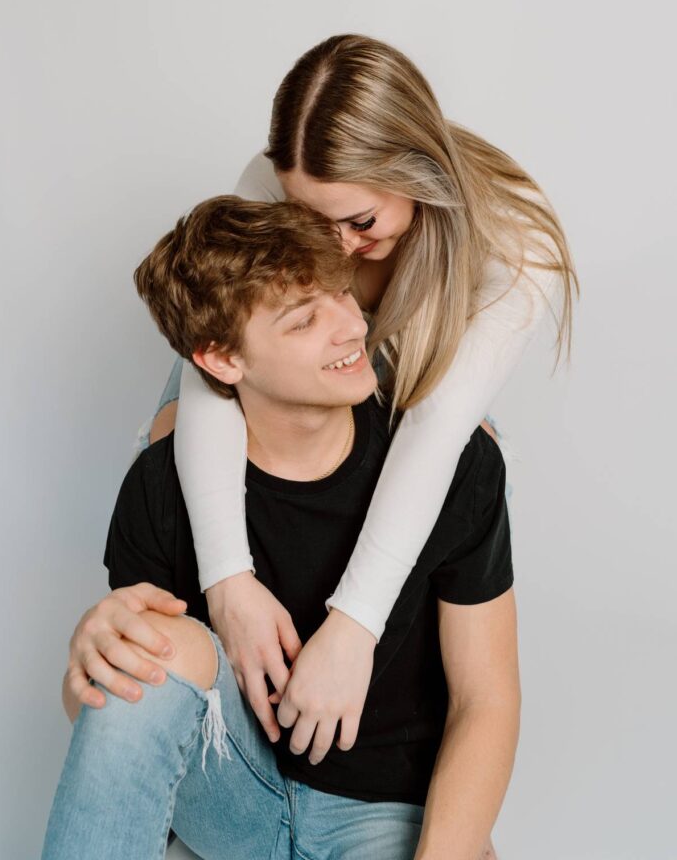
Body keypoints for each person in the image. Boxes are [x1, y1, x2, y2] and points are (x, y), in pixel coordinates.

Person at [123, 34, 576, 761]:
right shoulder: (270, 180)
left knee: (472, 466)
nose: (336, 246)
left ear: (418, 174)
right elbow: (213, 369)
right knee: (171, 438)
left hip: (412, 413)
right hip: (281, 395)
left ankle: (423, 779)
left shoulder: (514, 243)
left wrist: (355, 627)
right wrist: (228, 581)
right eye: (311, 220)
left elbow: (434, 428)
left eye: (361, 222)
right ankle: (206, 743)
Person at [43, 196, 519, 860]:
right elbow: (127, 716)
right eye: (304, 321)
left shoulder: (454, 464)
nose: (351, 328)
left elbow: (485, 697)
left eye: (341, 296)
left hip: (386, 813)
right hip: (234, 798)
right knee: (147, 641)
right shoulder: (160, 488)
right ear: (221, 360)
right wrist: (88, 663)